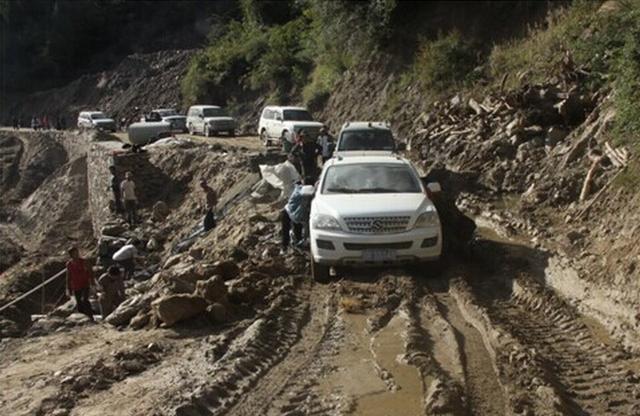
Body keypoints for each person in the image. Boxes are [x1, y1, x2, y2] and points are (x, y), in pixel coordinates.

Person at [280, 177, 315, 254]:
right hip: (288, 213)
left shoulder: (304, 192)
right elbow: (309, 192)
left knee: (298, 234)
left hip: (297, 216)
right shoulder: (299, 190)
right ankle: (284, 248)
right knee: (285, 232)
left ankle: (298, 247)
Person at [65, 247, 95, 322]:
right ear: (71, 255)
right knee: (79, 302)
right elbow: (69, 276)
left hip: (85, 284)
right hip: (76, 285)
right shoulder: (69, 264)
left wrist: (92, 284)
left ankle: (90, 317)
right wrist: (68, 288)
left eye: (77, 253)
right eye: (74, 253)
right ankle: (82, 318)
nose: (76, 254)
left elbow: (90, 272)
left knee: (85, 300)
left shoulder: (84, 262)